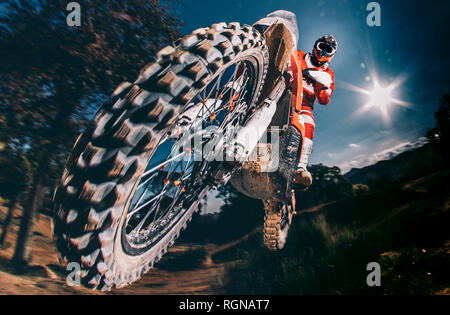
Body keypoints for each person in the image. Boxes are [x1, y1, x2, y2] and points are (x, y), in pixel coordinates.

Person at [290, 34, 337, 187]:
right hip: (285, 94)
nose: (323, 51)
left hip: (304, 106)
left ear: (331, 54)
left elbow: (324, 100)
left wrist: (320, 84)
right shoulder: (299, 55)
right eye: (322, 46)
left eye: (327, 49)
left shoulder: (328, 75)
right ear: (316, 46)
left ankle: (300, 168)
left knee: (309, 122)